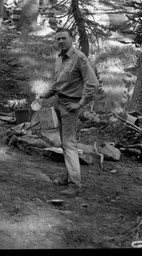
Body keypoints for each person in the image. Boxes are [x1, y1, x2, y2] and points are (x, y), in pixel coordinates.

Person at [40, 27, 99, 197]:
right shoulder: (59, 59)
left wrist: (80, 104)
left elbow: (92, 83)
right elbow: (60, 82)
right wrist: (48, 94)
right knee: (64, 143)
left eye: (64, 38)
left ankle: (75, 184)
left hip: (71, 106)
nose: (60, 41)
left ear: (71, 39)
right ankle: (68, 177)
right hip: (59, 102)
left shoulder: (79, 58)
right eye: (58, 39)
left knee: (69, 144)